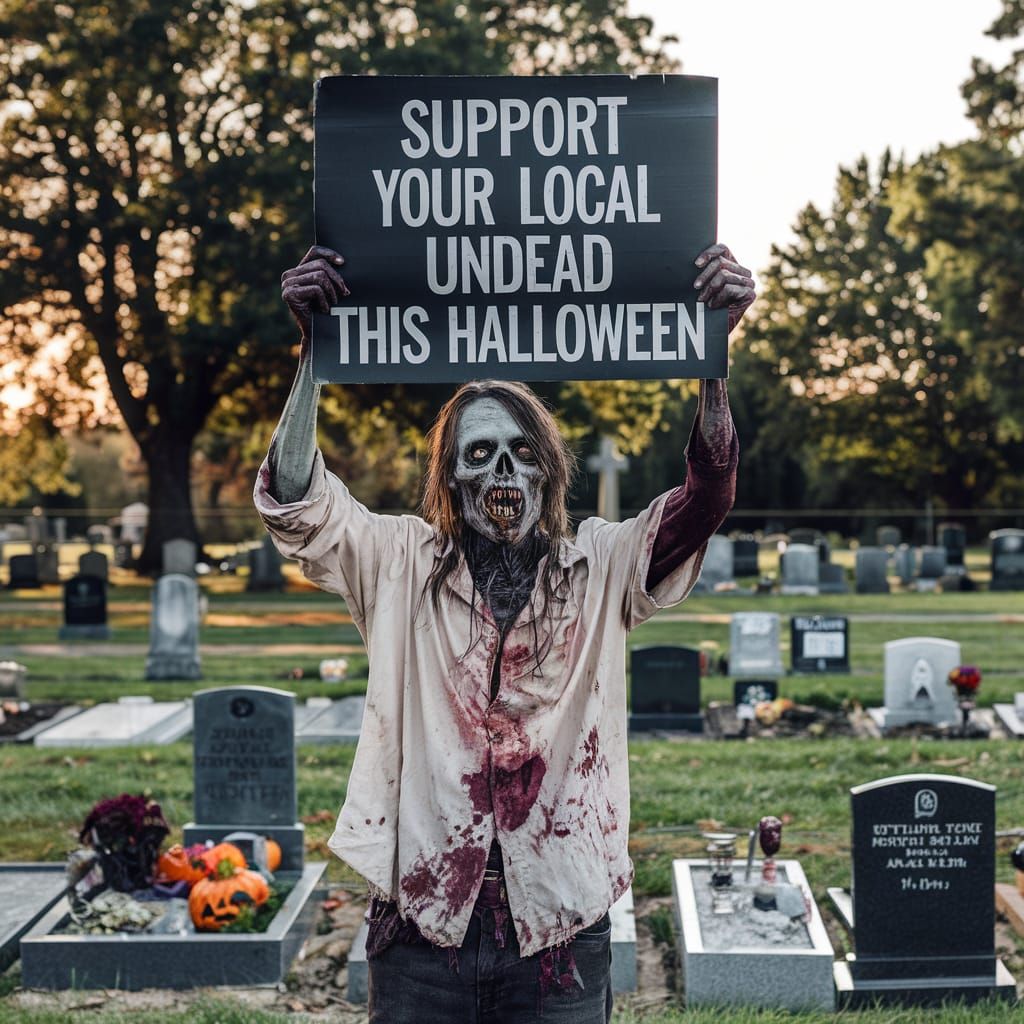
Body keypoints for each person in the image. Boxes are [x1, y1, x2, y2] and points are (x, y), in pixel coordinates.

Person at [255, 243, 754, 1022]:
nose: (503, 474)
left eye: (523, 455)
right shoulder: (397, 564)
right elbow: (295, 503)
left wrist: (712, 361)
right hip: (424, 919)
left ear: (549, 473)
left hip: (558, 920)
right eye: (479, 455)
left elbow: (705, 500)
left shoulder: (603, 564)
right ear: (452, 476)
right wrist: (312, 355)